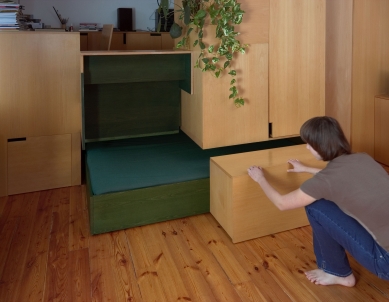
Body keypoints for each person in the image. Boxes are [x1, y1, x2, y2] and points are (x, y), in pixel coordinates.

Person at [247, 116, 389, 287]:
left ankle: (338, 273)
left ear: (320, 146)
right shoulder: (363, 158)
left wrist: (260, 178)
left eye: (309, 144)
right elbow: (341, 179)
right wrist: (307, 169)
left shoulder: (326, 180)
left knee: (316, 206)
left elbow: (282, 203)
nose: (306, 147)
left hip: (385, 263)